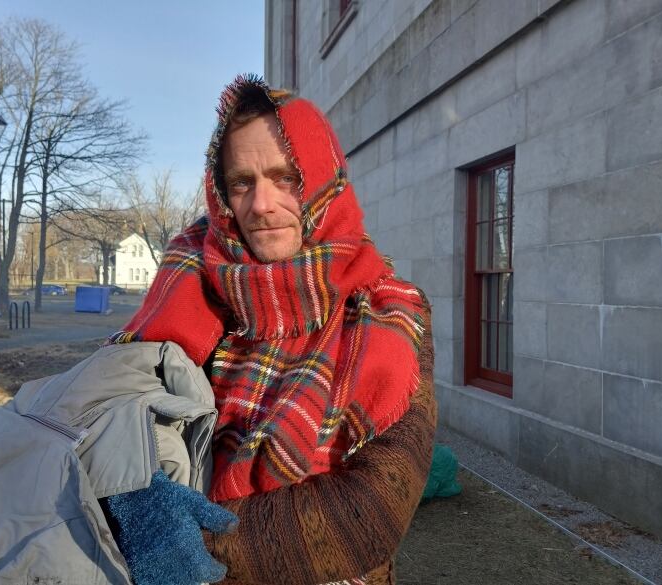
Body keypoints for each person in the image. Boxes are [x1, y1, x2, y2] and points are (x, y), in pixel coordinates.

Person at [109, 75, 437, 584]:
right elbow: (112, 420)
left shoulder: (392, 314)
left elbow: (372, 512)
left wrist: (188, 537)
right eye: (241, 182)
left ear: (325, 182)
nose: (261, 204)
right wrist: (130, 498)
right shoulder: (187, 293)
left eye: (285, 177)